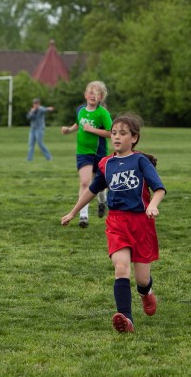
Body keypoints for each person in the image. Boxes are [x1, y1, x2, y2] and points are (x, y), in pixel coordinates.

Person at [62, 112, 166, 333]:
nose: (116, 137)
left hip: (141, 223)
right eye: (114, 133)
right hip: (117, 222)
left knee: (142, 279)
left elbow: (159, 188)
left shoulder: (140, 161)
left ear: (134, 138)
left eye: (122, 133)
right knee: (121, 268)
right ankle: (126, 320)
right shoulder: (105, 163)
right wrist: (73, 212)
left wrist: (153, 204)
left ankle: (146, 293)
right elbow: (92, 190)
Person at [61, 80, 112, 228]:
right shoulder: (80, 110)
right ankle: (83, 216)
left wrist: (92, 130)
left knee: (100, 185)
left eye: (97, 93)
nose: (93, 95)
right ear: (85, 94)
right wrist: (69, 130)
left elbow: (110, 133)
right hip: (83, 152)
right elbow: (79, 124)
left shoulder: (103, 113)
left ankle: (102, 201)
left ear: (101, 97)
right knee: (85, 182)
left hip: (99, 152)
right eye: (91, 91)